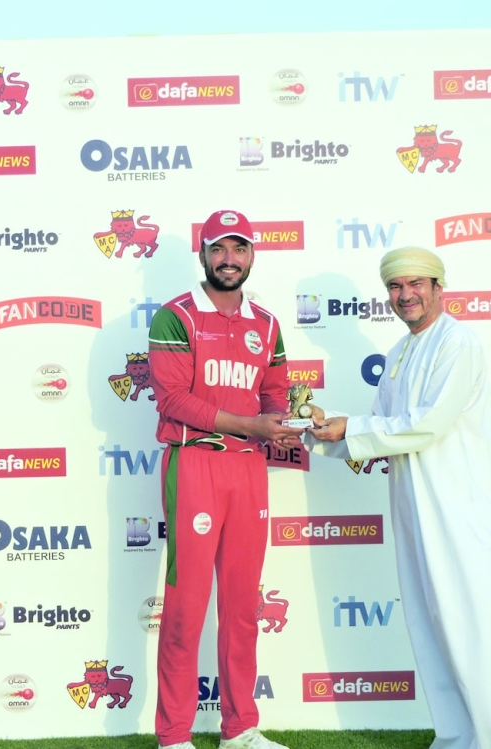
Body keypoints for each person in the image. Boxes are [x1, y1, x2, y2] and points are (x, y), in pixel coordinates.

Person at [305, 246, 491, 749]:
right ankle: (460, 739)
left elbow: (425, 425)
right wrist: (314, 436)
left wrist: (351, 428)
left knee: (481, 638)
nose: (405, 295)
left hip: (464, 515)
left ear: (439, 287)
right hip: (416, 517)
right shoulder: (398, 354)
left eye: (416, 284)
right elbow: (379, 437)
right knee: (437, 635)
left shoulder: (459, 342)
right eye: (396, 287)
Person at [148, 210, 304, 749]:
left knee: (241, 606)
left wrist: (283, 424)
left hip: (247, 469)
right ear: (203, 255)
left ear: (252, 256)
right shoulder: (175, 316)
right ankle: (174, 736)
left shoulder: (266, 322)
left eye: (239, 249)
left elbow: (276, 391)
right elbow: (172, 398)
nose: (229, 259)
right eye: (219, 249)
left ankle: (240, 729)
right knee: (186, 607)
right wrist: (252, 424)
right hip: (194, 463)